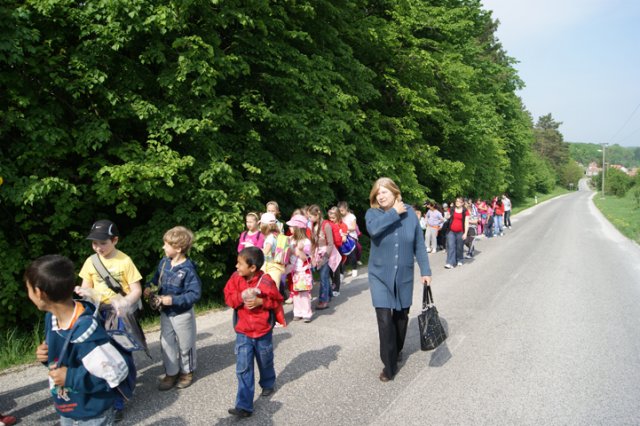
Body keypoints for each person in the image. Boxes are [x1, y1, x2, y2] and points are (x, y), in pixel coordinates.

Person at [28, 255, 129, 426]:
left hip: (93, 412)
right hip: (68, 407)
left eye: (28, 289)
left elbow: (114, 373)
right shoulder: (51, 319)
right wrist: (47, 357)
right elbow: (62, 359)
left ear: (39, 293)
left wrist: (70, 377)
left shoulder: (87, 331)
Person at [78, 219, 147, 421]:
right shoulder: (91, 261)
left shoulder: (125, 261)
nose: (98, 247)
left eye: (103, 243)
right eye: (94, 243)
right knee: (101, 356)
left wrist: (125, 303)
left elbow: (136, 290)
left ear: (115, 240)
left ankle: (119, 401)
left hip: (119, 314)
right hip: (98, 313)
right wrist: (84, 292)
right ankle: (105, 395)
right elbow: (87, 288)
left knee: (122, 354)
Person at [365, 177, 432, 382]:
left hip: (403, 275)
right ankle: (389, 364)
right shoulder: (372, 214)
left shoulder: (411, 215)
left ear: (395, 193)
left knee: (401, 319)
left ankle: (398, 348)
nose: (381, 195)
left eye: (385, 191)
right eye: (378, 192)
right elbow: (374, 231)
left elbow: (419, 245)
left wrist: (425, 271)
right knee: (385, 320)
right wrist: (394, 213)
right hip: (379, 276)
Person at [224, 247, 284, 418]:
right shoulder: (235, 279)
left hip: (263, 331)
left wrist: (260, 301)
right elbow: (228, 297)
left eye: (240, 264)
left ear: (252, 268)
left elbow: (277, 301)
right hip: (243, 332)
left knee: (265, 361)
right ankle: (244, 406)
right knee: (243, 368)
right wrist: (240, 296)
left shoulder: (266, 281)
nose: (236, 266)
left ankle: (268, 382)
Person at [144, 226, 202, 391]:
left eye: (166, 245)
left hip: (182, 314)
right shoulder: (164, 263)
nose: (163, 247)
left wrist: (173, 300)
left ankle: (187, 372)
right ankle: (171, 373)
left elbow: (194, 294)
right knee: (166, 342)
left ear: (178, 248)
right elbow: (156, 279)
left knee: (185, 344)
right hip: (165, 313)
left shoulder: (188, 269)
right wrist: (150, 287)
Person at [308, 205, 341, 310]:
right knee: (324, 276)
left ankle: (323, 300)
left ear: (317, 215)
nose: (309, 219)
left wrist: (325, 258)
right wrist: (312, 256)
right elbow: (313, 243)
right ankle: (329, 294)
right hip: (318, 253)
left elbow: (330, 244)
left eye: (310, 216)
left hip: (327, 254)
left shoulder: (326, 225)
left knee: (323, 277)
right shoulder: (314, 225)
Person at [285, 214, 313, 322]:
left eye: (292, 227)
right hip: (293, 271)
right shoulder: (291, 240)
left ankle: (306, 313)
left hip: (302, 271)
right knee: (295, 292)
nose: (289, 228)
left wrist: (299, 250)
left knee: (304, 292)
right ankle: (297, 312)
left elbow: (305, 258)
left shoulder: (306, 242)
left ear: (298, 229)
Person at [327, 206, 346, 297]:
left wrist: (339, 236)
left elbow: (344, 239)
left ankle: (336, 288)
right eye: (330, 218)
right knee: (330, 269)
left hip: (338, 250)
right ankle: (334, 283)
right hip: (330, 250)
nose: (331, 220)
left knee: (336, 270)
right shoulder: (328, 224)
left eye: (333, 218)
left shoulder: (342, 225)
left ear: (338, 216)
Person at [445, 197, 469, 269]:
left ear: (462, 203)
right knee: (451, 246)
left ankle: (460, 259)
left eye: (459, 201)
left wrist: (465, 233)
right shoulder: (452, 209)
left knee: (459, 247)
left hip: (460, 232)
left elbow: (466, 222)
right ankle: (450, 263)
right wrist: (447, 216)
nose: (457, 202)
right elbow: (447, 216)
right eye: (456, 201)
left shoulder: (465, 211)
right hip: (451, 231)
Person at [338, 201, 360, 278]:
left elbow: (353, 227)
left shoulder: (352, 216)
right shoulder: (339, 217)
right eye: (339, 211)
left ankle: (354, 269)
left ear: (346, 208)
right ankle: (341, 273)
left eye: (342, 210)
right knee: (341, 256)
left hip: (351, 237)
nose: (341, 212)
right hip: (342, 238)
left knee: (352, 255)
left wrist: (344, 229)